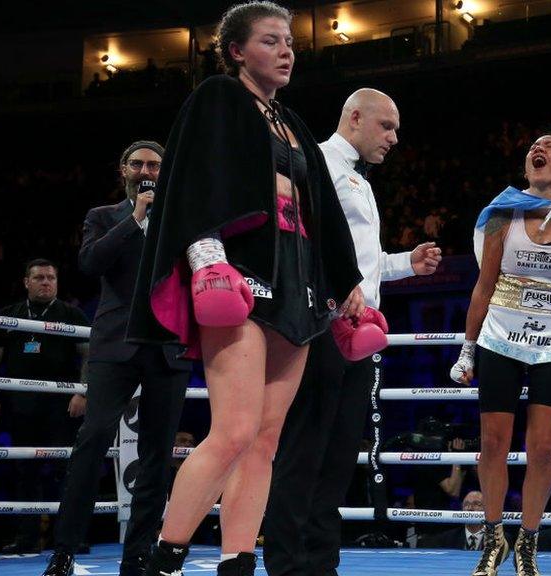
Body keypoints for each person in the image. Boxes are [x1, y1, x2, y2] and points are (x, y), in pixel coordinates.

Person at [126, 3, 365, 576]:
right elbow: (192, 178)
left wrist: (345, 282)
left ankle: (238, 563)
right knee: (232, 431)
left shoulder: (292, 121)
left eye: (289, 42)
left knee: (263, 440)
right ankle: (164, 557)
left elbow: (322, 209)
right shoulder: (217, 97)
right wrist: (204, 253)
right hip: (241, 273)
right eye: (270, 41)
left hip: (298, 279)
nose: (286, 51)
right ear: (236, 51)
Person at [263, 87, 442, 576]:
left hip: (358, 335)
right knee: (305, 449)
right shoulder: (315, 162)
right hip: (319, 326)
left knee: (340, 454)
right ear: (355, 117)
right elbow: (297, 243)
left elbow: (362, 263)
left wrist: (409, 263)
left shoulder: (360, 181)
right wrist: (331, 292)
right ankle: (286, 564)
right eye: (387, 126)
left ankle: (321, 563)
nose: (395, 138)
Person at [449, 134, 551, 576]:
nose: (537, 148)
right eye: (532, 148)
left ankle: (528, 542)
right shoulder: (504, 217)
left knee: (542, 450)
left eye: (550, 145)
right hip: (501, 335)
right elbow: (482, 287)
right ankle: (493, 538)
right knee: (491, 445)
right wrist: (467, 349)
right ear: (528, 168)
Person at [40, 142, 193, 576]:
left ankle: (139, 552)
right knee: (93, 439)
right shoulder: (103, 217)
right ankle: (65, 549)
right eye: (138, 163)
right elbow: (90, 263)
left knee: (157, 454)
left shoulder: (182, 217)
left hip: (168, 343)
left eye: (155, 165)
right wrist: (136, 218)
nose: (146, 171)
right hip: (116, 341)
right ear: (123, 169)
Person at [0, 258, 90, 553]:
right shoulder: (9, 315)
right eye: (39, 277)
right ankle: (27, 538)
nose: (46, 282)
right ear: (26, 282)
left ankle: (69, 538)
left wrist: (82, 392)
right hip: (21, 405)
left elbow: (88, 355)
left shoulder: (71, 314)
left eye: (51, 278)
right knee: (24, 471)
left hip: (62, 405)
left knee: (65, 469)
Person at [420, 491, 487, 551]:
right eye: (466, 504)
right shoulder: (447, 538)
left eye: (476, 504)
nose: (470, 508)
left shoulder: (495, 538)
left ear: (487, 509)